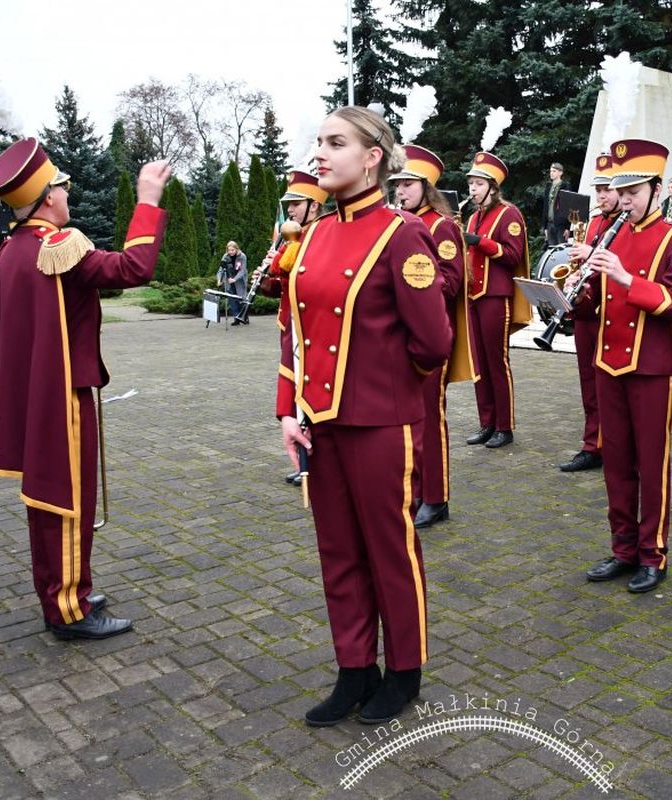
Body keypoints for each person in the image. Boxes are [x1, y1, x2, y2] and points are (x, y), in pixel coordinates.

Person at [277, 106, 452, 725]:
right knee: (338, 551)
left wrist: (383, 383)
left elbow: (433, 341)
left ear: (373, 156)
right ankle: (355, 669)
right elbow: (294, 331)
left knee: (389, 551)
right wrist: (288, 410)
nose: (319, 154)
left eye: (335, 143)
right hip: (320, 422)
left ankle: (403, 671)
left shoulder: (402, 234)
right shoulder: (315, 233)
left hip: (382, 424)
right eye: (318, 141)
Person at [0, 137, 171, 639]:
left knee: (47, 501)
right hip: (63, 398)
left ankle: (65, 589)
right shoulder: (57, 247)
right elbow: (134, 268)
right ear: (47, 198)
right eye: (62, 188)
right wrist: (148, 200)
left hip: (32, 399)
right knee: (67, 500)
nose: (67, 195)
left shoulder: (5, 255)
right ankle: (68, 608)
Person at [578, 139, 672, 593]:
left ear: (655, 188)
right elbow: (595, 304)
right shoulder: (611, 232)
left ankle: (653, 554)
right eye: (621, 192)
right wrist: (570, 293)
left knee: (651, 465)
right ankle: (623, 548)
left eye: (633, 192)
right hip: (608, 363)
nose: (624, 200)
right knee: (616, 464)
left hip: (649, 366)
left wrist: (626, 278)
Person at [390, 144, 476, 527]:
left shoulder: (443, 227)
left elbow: (453, 283)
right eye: (397, 184)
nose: (400, 191)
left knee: (429, 415)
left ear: (426, 187)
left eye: (408, 184)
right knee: (407, 416)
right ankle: (414, 488)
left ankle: (436, 497)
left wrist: (412, 283)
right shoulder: (396, 222)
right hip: (400, 335)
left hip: (431, 332)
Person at [258, 169, 328, 487]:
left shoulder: (321, 236)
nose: (290, 210)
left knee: (310, 396)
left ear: (314, 205)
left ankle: (314, 462)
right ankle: (304, 461)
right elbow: (282, 288)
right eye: (289, 204)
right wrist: (265, 279)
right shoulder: (292, 238)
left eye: (296, 204)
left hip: (311, 330)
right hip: (289, 324)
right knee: (296, 396)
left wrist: (281, 265)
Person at [464, 151, 531, 449]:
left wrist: (481, 242)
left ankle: (504, 426)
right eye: (471, 184)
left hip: (495, 295)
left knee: (497, 361)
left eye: (479, 184)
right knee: (479, 363)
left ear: (493, 187)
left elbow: (513, 256)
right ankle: (487, 422)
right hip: (472, 296)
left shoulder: (509, 214)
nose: (473, 189)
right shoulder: (472, 217)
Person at [558, 152, 617, 473]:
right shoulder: (593, 221)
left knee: (608, 385)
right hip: (587, 309)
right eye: (599, 190)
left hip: (613, 314)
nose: (602, 196)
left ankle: (609, 444)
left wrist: (590, 252)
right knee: (588, 381)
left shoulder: (626, 224)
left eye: (608, 189)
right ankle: (592, 443)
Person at [539, 162, 570, 246]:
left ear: (560, 173)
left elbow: (568, 207)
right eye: (551, 171)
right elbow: (545, 207)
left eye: (554, 171)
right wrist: (545, 226)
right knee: (551, 249)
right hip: (549, 224)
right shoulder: (548, 187)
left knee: (561, 249)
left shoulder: (565, 187)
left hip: (561, 225)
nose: (551, 173)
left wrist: (567, 227)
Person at [217, 241, 248, 324]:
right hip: (229, 280)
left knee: (241, 298)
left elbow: (242, 270)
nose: (230, 252)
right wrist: (219, 279)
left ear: (236, 249)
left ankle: (244, 317)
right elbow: (221, 269)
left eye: (232, 250)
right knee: (232, 299)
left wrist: (235, 279)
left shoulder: (242, 256)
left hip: (239, 280)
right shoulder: (225, 256)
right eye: (229, 250)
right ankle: (236, 318)